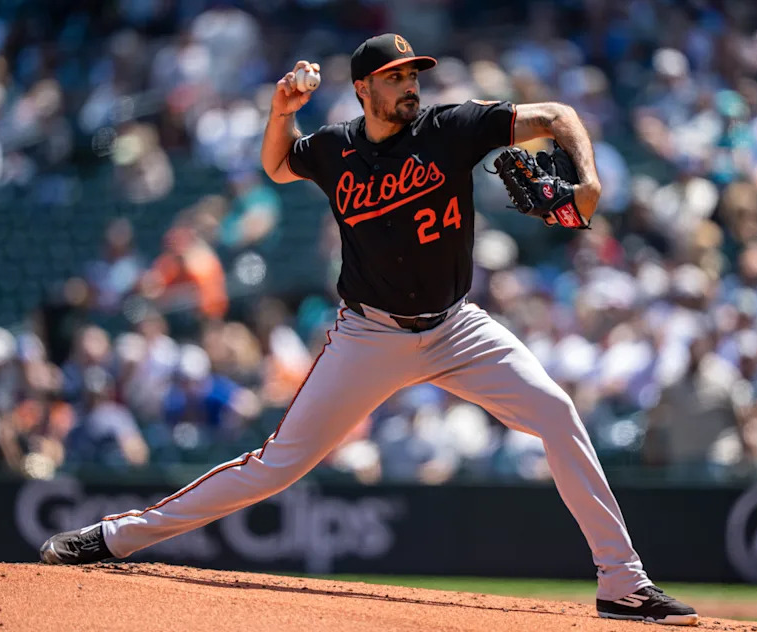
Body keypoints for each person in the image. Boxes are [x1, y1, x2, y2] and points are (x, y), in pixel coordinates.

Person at [38, 34, 698, 626]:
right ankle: (116, 537)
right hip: (370, 336)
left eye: (414, 74)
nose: (411, 85)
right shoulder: (333, 149)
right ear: (365, 87)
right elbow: (275, 166)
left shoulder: (452, 127)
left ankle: (622, 583)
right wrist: (281, 112)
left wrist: (586, 182)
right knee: (275, 466)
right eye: (397, 76)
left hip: (458, 327)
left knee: (557, 412)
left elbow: (559, 117)